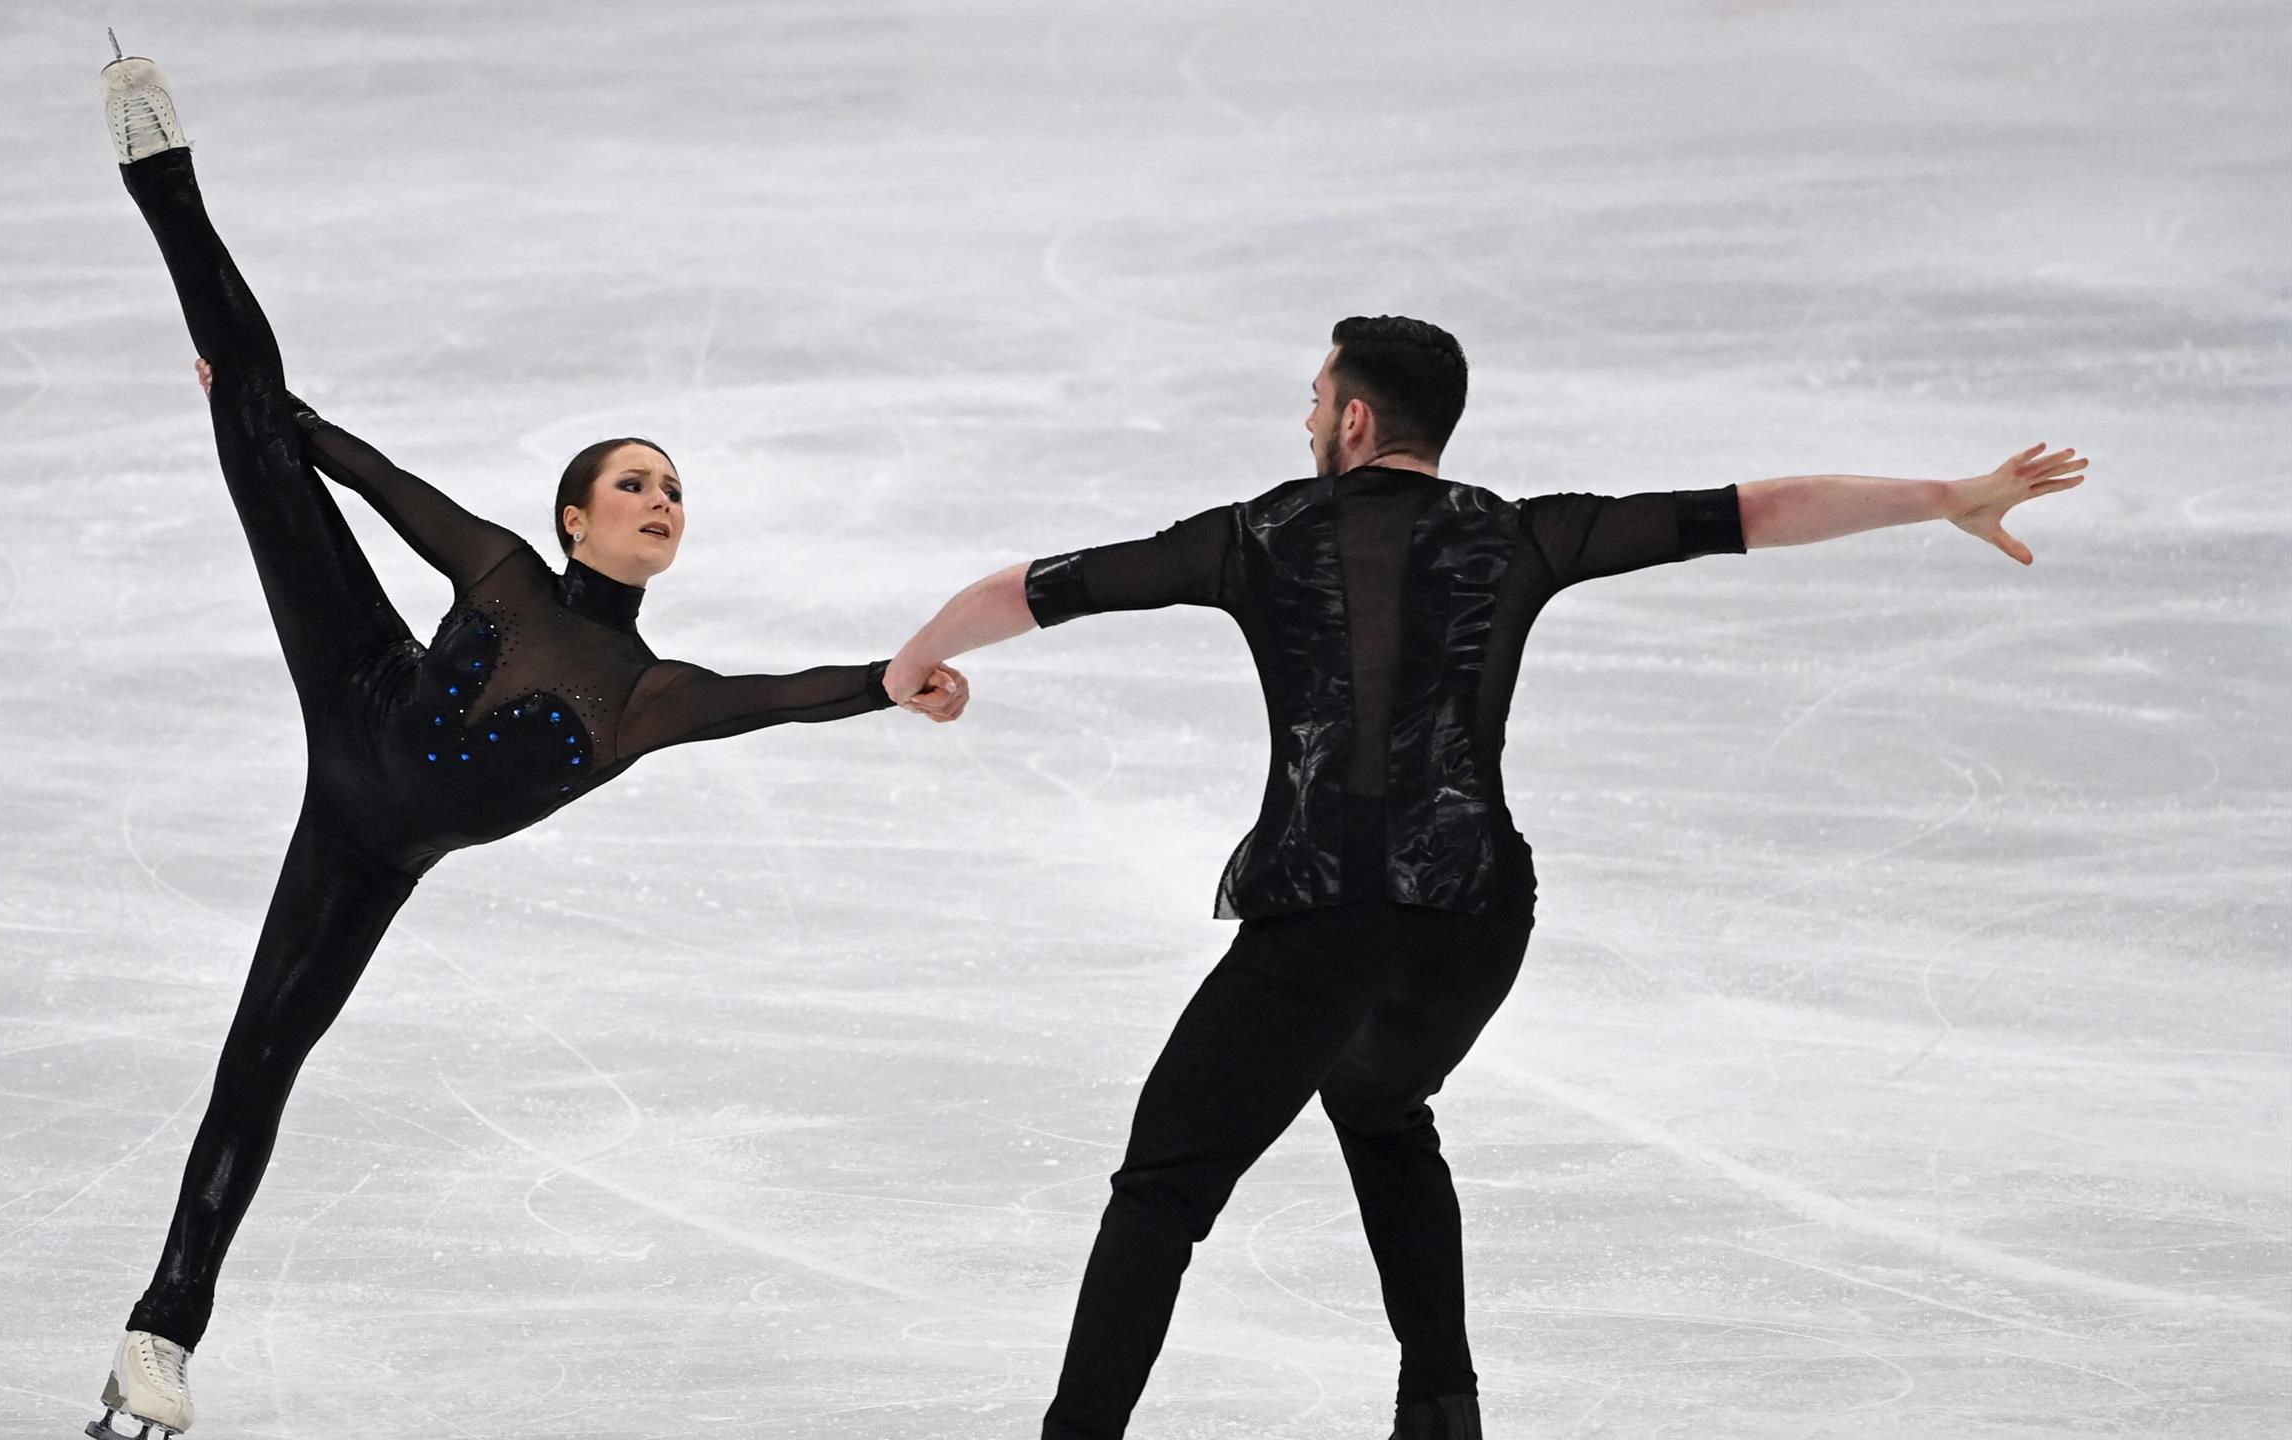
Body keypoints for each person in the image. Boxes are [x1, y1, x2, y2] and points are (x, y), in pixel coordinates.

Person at [884, 314, 2087, 1440]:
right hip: (1474, 924)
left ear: (1354, 422)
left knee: (1163, 1188)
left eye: (1314, 403)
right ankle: (1442, 1414)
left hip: (1327, 921)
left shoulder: (1259, 534)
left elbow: (1034, 590)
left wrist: (915, 665)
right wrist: (1946, 497)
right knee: (1381, 1109)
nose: (1306, 423)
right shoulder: (1519, 533)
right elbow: (1753, 509)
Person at [85, 46, 966, 1440]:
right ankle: (159, 170)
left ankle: (156, 1341)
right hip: (359, 689)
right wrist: (267, 413)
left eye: (674, 489)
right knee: (250, 415)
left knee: (264, 1057)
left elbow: (787, 690)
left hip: (369, 842)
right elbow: (362, 475)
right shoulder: (502, 570)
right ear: (576, 522)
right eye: (632, 482)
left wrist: (895, 680)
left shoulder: (647, 698)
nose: (660, 499)